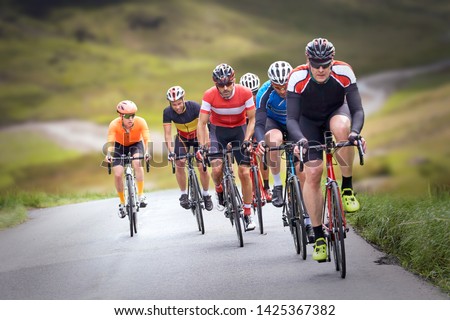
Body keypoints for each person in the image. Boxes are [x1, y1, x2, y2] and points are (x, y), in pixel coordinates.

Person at [286, 38, 366, 261]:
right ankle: (319, 235)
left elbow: (357, 110)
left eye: (325, 64)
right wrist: (300, 139)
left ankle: (347, 188)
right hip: (308, 122)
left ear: (333, 60)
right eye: (315, 64)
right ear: (307, 60)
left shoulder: (344, 71)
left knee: (342, 129)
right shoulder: (297, 77)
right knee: (312, 173)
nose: (321, 69)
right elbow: (291, 118)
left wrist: (355, 132)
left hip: (336, 112)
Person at [255, 61, 313, 241]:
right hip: (275, 124)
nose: (281, 90)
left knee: (302, 174)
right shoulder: (264, 92)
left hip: (296, 123)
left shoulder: (301, 85)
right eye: (277, 86)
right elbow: (259, 123)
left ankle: (310, 220)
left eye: (285, 85)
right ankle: (278, 185)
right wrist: (260, 142)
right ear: (271, 83)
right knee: (273, 139)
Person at [197, 63, 256, 231]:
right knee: (216, 170)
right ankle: (219, 189)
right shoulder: (209, 95)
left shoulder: (245, 92)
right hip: (218, 132)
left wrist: (247, 139)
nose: (225, 88)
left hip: (239, 130)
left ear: (234, 81)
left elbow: (252, 119)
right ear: (215, 84)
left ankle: (247, 212)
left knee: (244, 172)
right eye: (220, 85)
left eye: (228, 84)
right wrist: (202, 146)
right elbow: (202, 123)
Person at [163, 85, 213, 211]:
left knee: (202, 166)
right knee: (179, 162)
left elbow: (204, 127)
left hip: (198, 137)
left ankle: (206, 195)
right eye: (174, 104)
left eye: (179, 103)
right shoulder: (167, 112)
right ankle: (183, 194)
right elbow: (168, 134)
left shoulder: (194, 106)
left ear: (183, 99)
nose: (177, 107)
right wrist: (170, 152)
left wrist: (204, 145)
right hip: (182, 138)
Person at [105, 100, 151, 218]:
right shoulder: (114, 124)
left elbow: (147, 139)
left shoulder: (141, 122)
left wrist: (147, 152)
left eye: (133, 115)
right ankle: (122, 203)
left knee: (137, 163)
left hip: (136, 145)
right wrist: (109, 154)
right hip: (119, 147)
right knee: (118, 174)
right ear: (121, 116)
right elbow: (110, 141)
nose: (131, 119)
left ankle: (140, 195)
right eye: (127, 116)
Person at [239, 72, 272, 202]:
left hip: (259, 126)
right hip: (244, 128)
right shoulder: (239, 102)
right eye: (248, 93)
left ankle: (267, 186)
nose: (252, 96)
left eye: (255, 92)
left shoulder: (262, 99)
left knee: (263, 153)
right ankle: (246, 191)